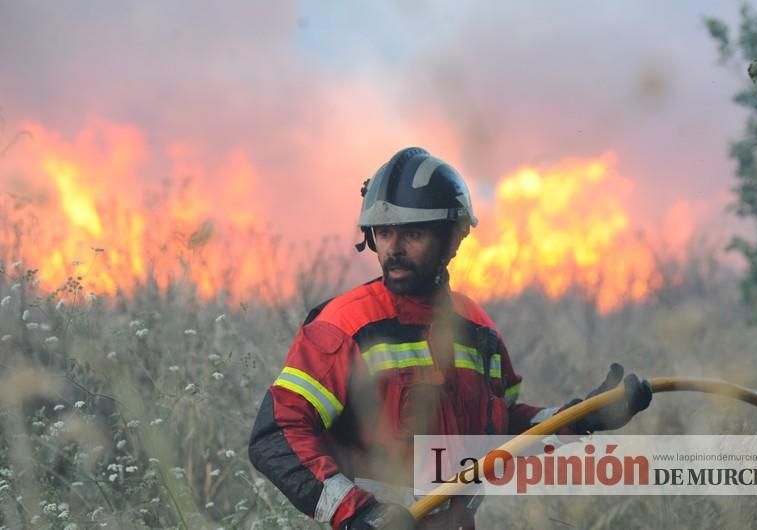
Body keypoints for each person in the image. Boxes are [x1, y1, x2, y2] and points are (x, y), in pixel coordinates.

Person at [249, 147, 653, 530]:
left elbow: (502, 430)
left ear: (453, 238)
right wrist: (357, 513)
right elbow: (276, 434)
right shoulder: (345, 327)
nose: (395, 249)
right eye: (384, 233)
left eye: (413, 234)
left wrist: (581, 418)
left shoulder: (477, 329)